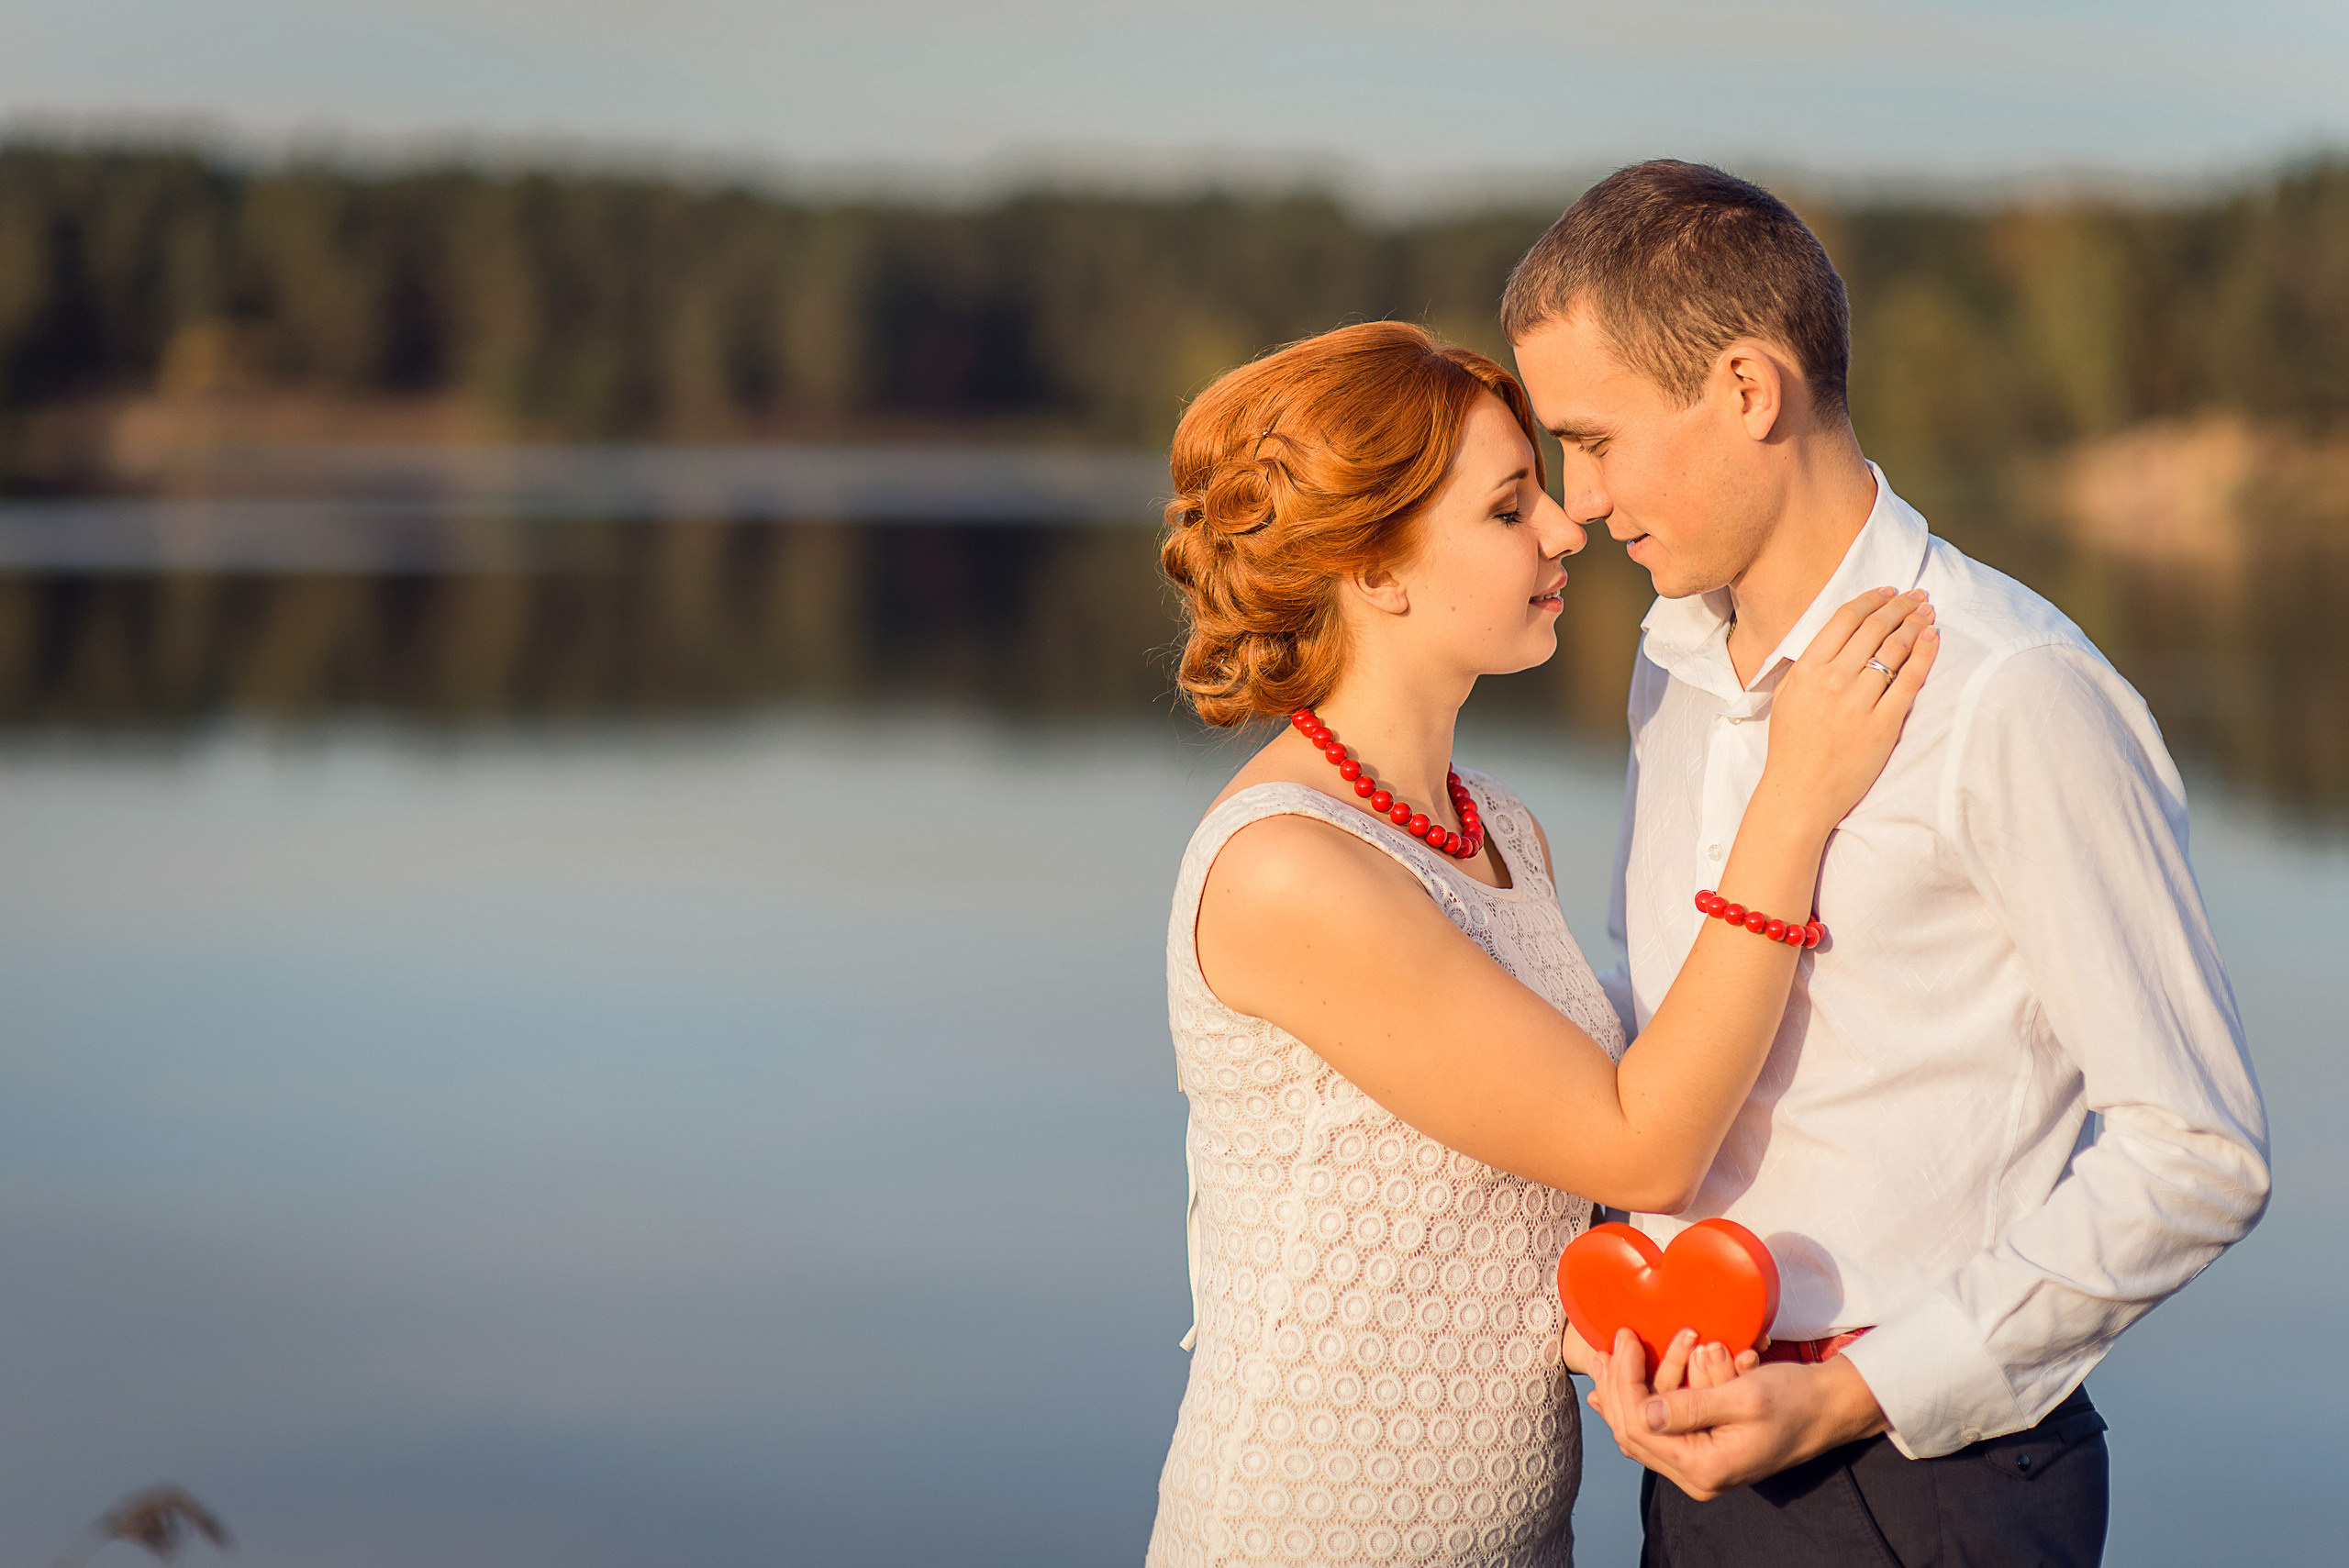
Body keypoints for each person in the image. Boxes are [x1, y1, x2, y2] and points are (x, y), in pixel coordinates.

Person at [1500, 161, 2272, 1566]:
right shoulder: (1671, 660)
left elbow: (2196, 1152)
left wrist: (1852, 1393)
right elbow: (1673, 1009)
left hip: (1924, 1484)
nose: (1579, 495)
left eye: (1597, 438)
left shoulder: (2012, 690)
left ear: (1748, 390)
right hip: (1689, 1446)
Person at [1145, 319, 1936, 1567]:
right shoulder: (1286, 869)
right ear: (1379, 567)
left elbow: (1501, 1199)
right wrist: (1794, 799)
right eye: (1511, 507)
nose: (1567, 527)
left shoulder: (1499, 827)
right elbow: (1645, 1140)